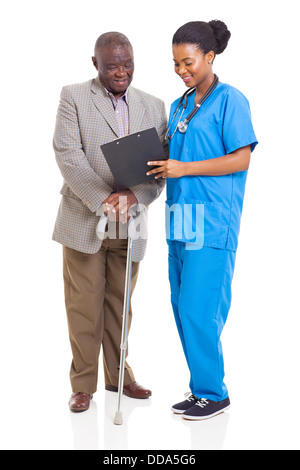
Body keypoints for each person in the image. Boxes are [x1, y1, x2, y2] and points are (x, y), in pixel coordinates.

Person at [147, 20, 258, 420]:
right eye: (176, 64)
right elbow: (169, 163)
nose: (182, 70)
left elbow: (242, 158)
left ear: (210, 57)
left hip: (212, 223)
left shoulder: (231, 100)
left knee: (200, 307)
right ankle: (200, 390)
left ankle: (214, 392)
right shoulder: (180, 105)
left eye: (188, 62)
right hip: (180, 220)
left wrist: (185, 168)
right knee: (181, 307)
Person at [53, 32, 168, 412]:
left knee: (121, 304)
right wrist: (104, 200)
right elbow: (69, 155)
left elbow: (160, 170)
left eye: (128, 64)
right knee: (85, 304)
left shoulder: (154, 106)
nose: (121, 72)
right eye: (112, 65)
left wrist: (134, 197)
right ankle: (83, 384)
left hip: (131, 220)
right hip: (86, 217)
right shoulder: (73, 96)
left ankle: (120, 376)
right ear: (95, 64)